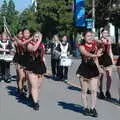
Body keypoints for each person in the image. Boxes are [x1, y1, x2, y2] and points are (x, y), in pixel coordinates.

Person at [76, 31, 102, 117]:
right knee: (84, 90)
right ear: (84, 37)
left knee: (94, 90)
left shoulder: (95, 45)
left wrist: (99, 68)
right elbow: (86, 53)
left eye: (91, 35)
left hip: (93, 70)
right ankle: (86, 108)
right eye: (88, 36)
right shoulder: (81, 46)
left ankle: (93, 108)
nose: (90, 37)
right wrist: (96, 55)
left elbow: (96, 59)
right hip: (84, 70)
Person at [27, 32, 46, 110]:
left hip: (40, 66)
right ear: (33, 37)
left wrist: (44, 62)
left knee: (38, 86)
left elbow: (43, 55)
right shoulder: (29, 44)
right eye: (36, 36)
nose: (37, 37)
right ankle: (35, 103)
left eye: (39, 36)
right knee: (34, 86)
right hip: (32, 66)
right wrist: (40, 40)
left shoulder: (42, 45)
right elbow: (34, 49)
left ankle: (33, 96)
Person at [14, 29, 33, 97]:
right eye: (25, 33)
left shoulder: (32, 41)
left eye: (28, 33)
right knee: (22, 77)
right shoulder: (20, 40)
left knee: (29, 78)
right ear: (23, 34)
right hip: (21, 60)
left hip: (29, 61)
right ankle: (21, 92)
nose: (27, 34)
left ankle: (31, 93)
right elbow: (21, 44)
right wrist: (31, 38)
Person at [98, 29, 114, 99]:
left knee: (109, 77)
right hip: (101, 59)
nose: (106, 34)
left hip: (108, 59)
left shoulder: (109, 41)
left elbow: (110, 51)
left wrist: (112, 60)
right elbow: (97, 51)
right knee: (101, 77)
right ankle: (101, 92)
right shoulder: (99, 41)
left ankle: (108, 91)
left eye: (107, 33)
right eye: (104, 33)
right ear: (101, 33)